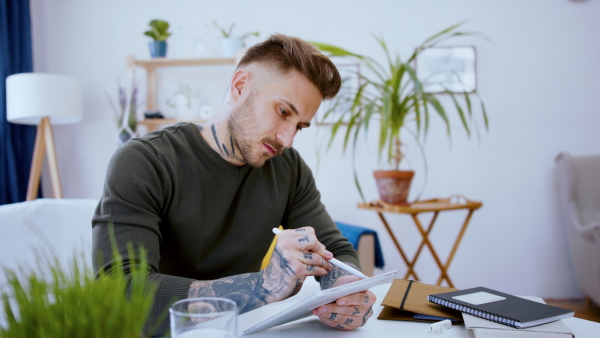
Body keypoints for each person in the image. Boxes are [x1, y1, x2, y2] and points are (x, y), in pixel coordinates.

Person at [92, 33, 376, 336]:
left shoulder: (289, 169)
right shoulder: (144, 162)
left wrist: (344, 291)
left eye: (299, 127)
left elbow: (335, 250)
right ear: (240, 86)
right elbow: (121, 289)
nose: (288, 140)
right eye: (283, 112)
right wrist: (265, 285)